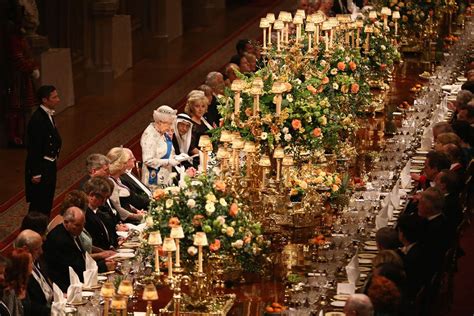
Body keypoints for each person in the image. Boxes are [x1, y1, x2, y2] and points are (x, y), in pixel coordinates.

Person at [44, 207, 112, 291]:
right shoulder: (61, 240)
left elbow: (81, 258)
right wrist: (103, 266)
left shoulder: (71, 232)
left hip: (77, 278)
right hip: (68, 286)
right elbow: (78, 267)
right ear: (66, 222)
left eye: (83, 224)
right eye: (78, 225)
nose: (81, 228)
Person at [25, 85, 62, 216]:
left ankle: (41, 229)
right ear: (45, 100)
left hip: (49, 165)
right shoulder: (38, 120)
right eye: (54, 97)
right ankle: (32, 231)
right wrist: (36, 173)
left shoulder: (47, 115)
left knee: (46, 201)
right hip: (42, 168)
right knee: (39, 204)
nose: (58, 100)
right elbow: (34, 148)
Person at [14, 230, 51, 316]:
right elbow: (30, 307)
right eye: (37, 248)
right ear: (26, 249)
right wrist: (51, 310)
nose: (41, 252)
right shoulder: (19, 272)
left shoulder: (35, 260)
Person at [141, 105, 179, 187]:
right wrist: (168, 161)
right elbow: (148, 160)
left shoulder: (162, 132)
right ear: (159, 122)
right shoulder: (149, 135)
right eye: (169, 124)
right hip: (154, 180)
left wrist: (176, 158)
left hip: (166, 176)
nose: (171, 127)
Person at [107, 147, 146, 223]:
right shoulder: (111, 182)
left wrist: (136, 211)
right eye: (125, 163)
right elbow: (119, 209)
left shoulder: (118, 179)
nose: (126, 165)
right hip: (128, 222)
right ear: (119, 165)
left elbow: (126, 202)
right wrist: (138, 216)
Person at [83, 177, 119, 250]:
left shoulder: (99, 212)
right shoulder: (85, 214)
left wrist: (111, 245)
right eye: (102, 198)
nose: (104, 201)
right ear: (91, 195)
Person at [2, 248, 33, 316]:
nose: (32, 265)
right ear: (23, 266)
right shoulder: (10, 292)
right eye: (30, 262)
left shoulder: (23, 282)